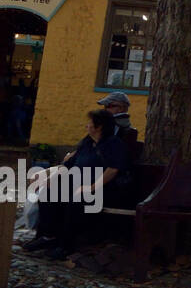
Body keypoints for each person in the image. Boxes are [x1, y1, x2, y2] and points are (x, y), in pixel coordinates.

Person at [24, 109, 130, 260]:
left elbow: (113, 170)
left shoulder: (113, 144)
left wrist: (92, 187)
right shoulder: (87, 144)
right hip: (76, 184)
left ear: (99, 126)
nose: (86, 126)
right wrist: (51, 178)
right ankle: (48, 236)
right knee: (48, 192)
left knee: (76, 199)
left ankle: (66, 245)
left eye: (90, 123)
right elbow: (68, 165)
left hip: (103, 190)